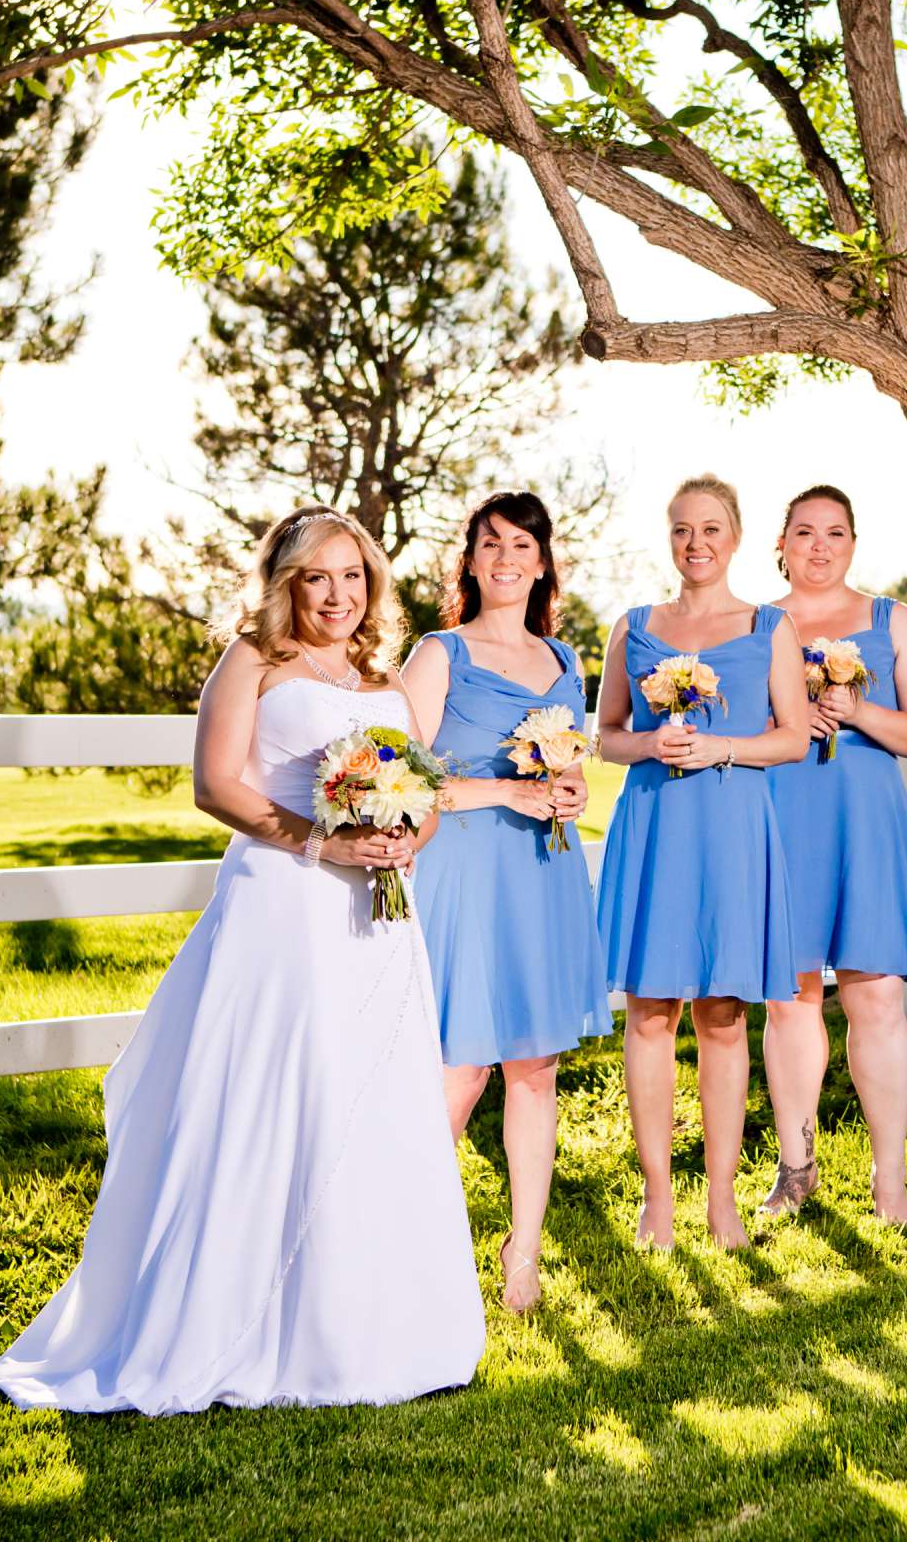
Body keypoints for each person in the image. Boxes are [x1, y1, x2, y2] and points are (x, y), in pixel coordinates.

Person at [0, 507, 483, 1413]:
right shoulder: (252, 660)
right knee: (283, 1095)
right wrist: (326, 844)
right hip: (285, 908)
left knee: (372, 1098)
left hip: (382, 920)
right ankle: (243, 1326)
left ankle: (378, 1327)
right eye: (317, 578)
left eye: (353, 577)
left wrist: (407, 838)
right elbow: (217, 786)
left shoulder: (384, 674)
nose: (337, 595)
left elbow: (424, 785)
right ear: (285, 583)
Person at [399, 492, 611, 1314]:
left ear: (542, 560)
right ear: (472, 560)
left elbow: (572, 769)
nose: (506, 558)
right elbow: (401, 778)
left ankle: (522, 1255)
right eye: (490, 544)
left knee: (536, 1065)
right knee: (461, 1068)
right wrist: (503, 793)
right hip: (464, 870)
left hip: (545, 872)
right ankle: (405, 1237)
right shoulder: (439, 654)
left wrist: (567, 793)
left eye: (521, 544)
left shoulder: (565, 660)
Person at [594, 476, 812, 1251]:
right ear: (669, 538)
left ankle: (720, 1198)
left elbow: (793, 736)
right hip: (656, 825)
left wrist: (720, 747)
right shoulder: (636, 627)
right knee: (651, 1013)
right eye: (683, 529)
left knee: (724, 1015)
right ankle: (659, 1197)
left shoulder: (768, 627)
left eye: (711, 528)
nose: (696, 543)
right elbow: (606, 735)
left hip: (732, 827)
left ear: (737, 536)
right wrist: (652, 743)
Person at [759, 485, 907, 1227]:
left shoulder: (891, 619)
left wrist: (859, 710)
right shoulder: (758, 624)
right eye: (804, 531)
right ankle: (796, 1167)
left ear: (853, 543)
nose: (819, 546)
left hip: (866, 823)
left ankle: (889, 1178)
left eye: (834, 532)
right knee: (791, 997)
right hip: (782, 818)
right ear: (781, 542)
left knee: (874, 997)